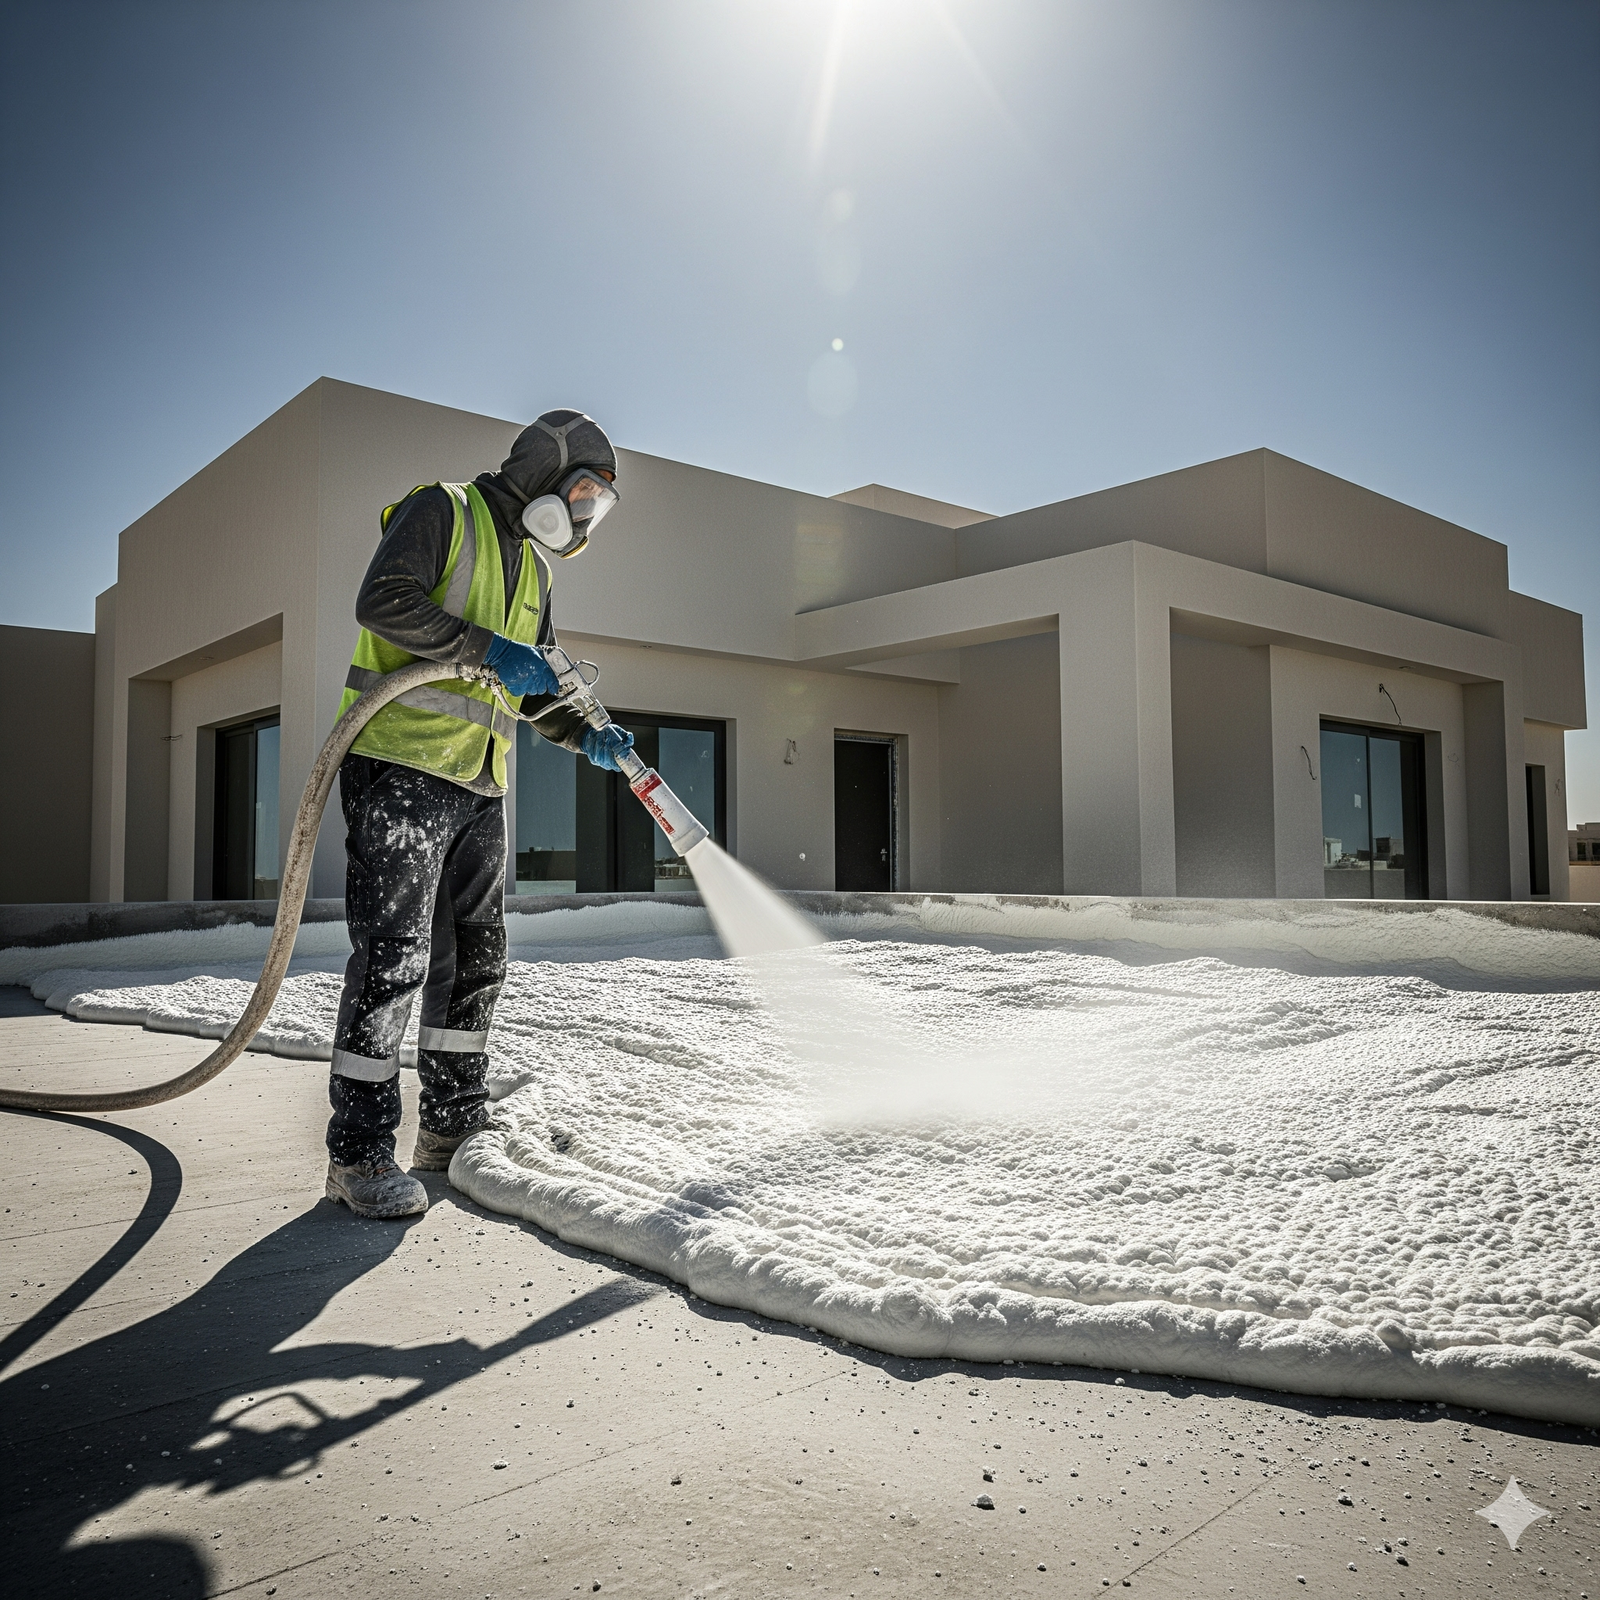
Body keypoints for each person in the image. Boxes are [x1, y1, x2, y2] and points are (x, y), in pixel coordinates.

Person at [323, 410, 634, 1218]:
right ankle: (358, 1155)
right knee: (394, 958)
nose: (585, 516)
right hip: (400, 766)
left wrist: (587, 736)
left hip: (480, 785)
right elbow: (382, 601)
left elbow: (534, 687)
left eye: (597, 506)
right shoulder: (444, 510)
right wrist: (489, 649)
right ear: (543, 474)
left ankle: (450, 1128)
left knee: (476, 962)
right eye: (583, 494)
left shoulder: (535, 574)